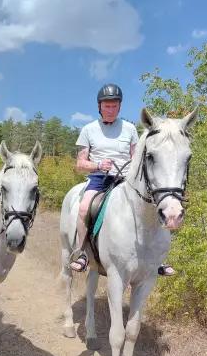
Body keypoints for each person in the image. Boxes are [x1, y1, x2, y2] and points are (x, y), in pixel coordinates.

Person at [69, 83, 175, 276]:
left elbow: (137, 157)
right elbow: (80, 163)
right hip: (100, 178)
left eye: (114, 105)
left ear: (120, 107)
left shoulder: (129, 129)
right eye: (106, 105)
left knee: (155, 204)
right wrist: (98, 165)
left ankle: (157, 258)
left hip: (126, 179)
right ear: (99, 106)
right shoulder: (88, 129)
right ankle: (82, 253)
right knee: (85, 207)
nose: (110, 109)